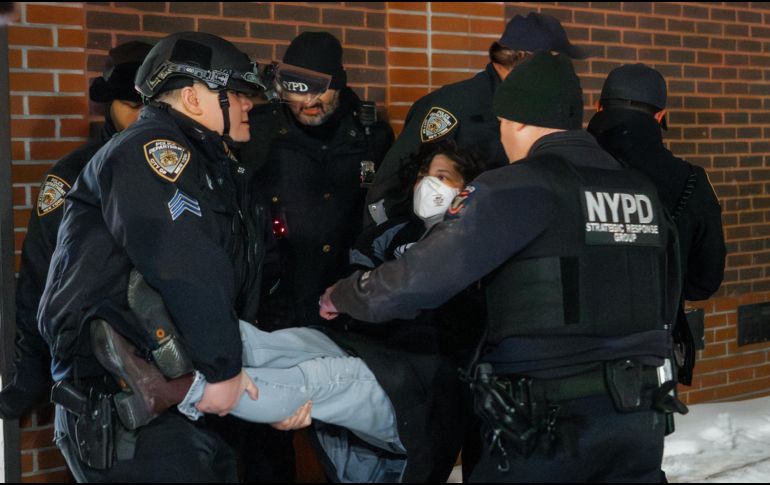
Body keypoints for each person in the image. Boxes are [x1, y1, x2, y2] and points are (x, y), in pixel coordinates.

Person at [320, 51, 685, 482]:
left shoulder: (515, 186)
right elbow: (672, 286)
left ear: (516, 121)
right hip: (637, 416)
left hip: (545, 424)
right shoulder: (639, 190)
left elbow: (418, 279)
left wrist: (345, 294)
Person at [91, 142, 485, 483]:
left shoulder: (470, 242)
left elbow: (404, 293)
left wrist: (351, 295)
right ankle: (155, 335)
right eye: (424, 174)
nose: (428, 185)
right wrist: (352, 294)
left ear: (467, 189)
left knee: (322, 377)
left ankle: (172, 391)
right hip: (374, 352)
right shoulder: (394, 233)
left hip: (425, 387)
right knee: (280, 344)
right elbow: (360, 285)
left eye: (444, 177)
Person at [37, 32, 267, 482]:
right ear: (192, 97)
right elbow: (183, 261)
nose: (249, 104)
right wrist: (223, 368)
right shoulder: (153, 153)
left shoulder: (209, 163)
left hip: (178, 399)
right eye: (236, 93)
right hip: (132, 413)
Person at [0, 41, 152, 420]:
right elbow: (40, 273)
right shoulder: (73, 176)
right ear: (109, 106)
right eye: (133, 105)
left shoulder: (190, 170)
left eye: (152, 105)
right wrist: (29, 373)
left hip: (186, 374)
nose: (144, 116)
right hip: (98, 375)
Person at [365, 12, 588, 226]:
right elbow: (391, 185)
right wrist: (387, 245)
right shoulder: (453, 106)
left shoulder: (539, 112)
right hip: (445, 250)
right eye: (552, 64)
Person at [238, 31, 394, 330]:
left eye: (320, 90)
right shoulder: (257, 133)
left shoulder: (372, 135)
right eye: (299, 90)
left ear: (339, 83)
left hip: (347, 303)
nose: (309, 101)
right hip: (276, 305)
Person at [587, 64, 726, 385]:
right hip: (651, 354)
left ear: (598, 107)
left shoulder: (559, 166)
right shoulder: (692, 182)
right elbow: (704, 281)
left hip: (564, 353)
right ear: (661, 116)